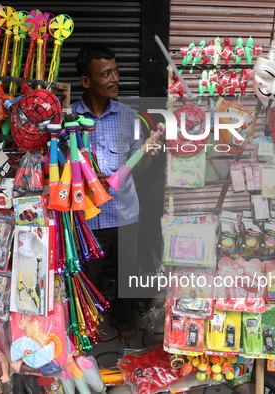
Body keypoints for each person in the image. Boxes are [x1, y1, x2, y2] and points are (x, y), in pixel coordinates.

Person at [71, 46, 163, 343]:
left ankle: (124, 323)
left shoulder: (128, 117)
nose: (115, 79)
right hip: (85, 216)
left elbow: (141, 166)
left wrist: (148, 151)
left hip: (124, 212)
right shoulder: (69, 118)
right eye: (106, 74)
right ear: (86, 81)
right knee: (85, 274)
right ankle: (83, 326)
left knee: (127, 273)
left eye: (116, 71)